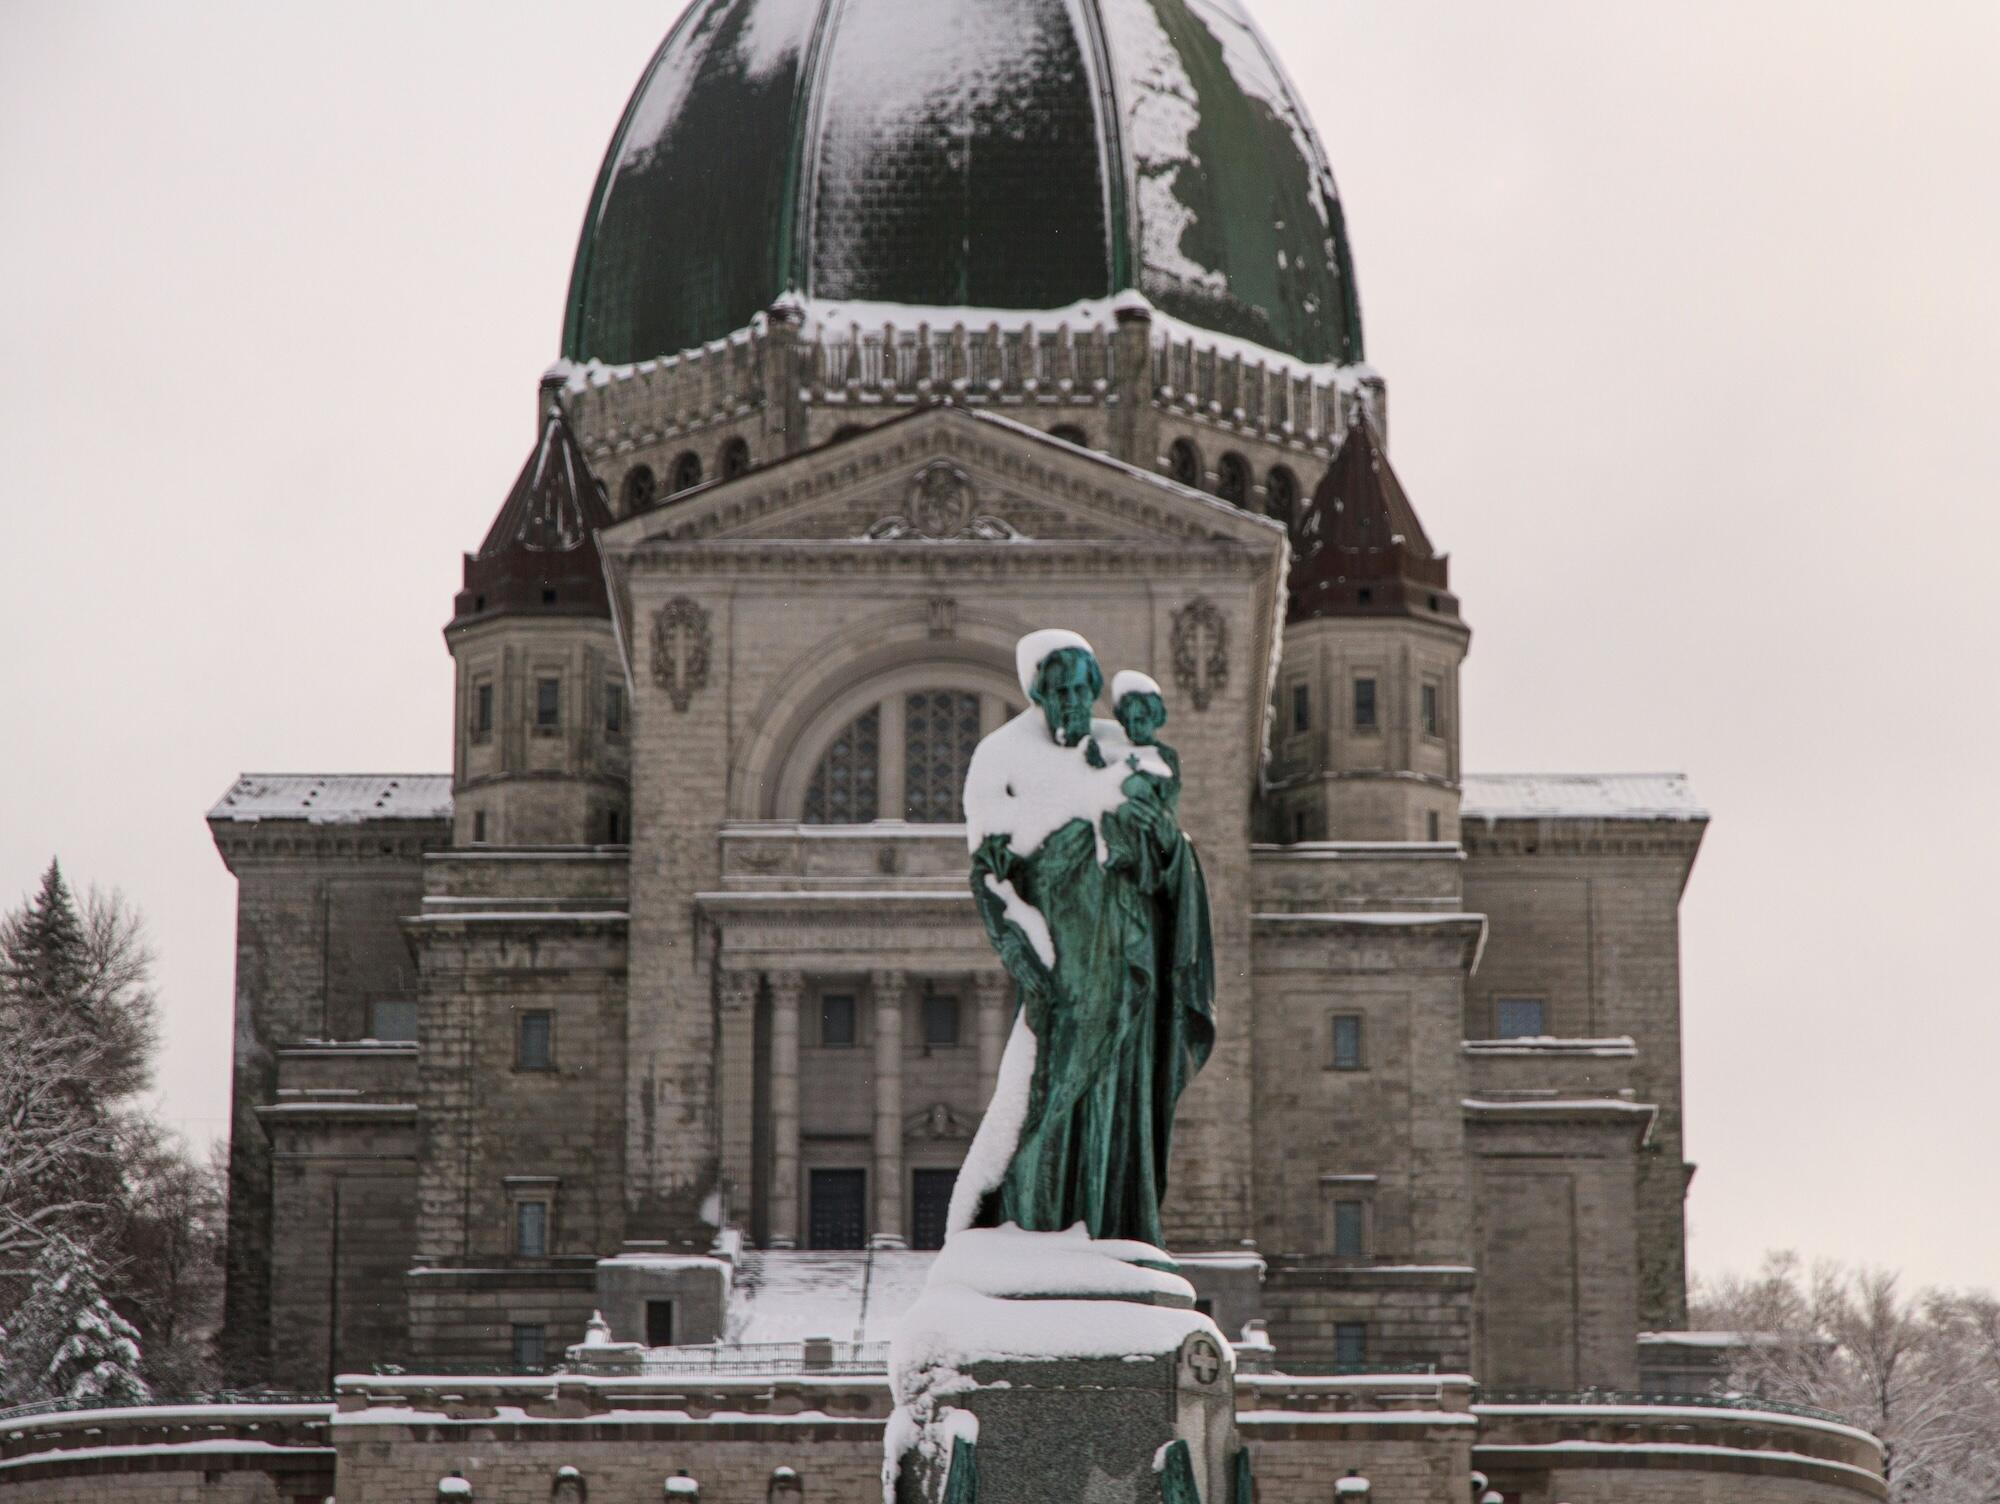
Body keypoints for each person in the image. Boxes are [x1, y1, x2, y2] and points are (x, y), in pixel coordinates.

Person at [957, 632, 1215, 1247]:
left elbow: (1165, 860)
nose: (1073, 701)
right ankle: (1037, 1218)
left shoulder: (1123, 753)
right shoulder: (1001, 757)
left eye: (1081, 689)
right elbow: (989, 874)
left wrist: (1165, 844)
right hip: (1064, 960)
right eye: (1059, 690)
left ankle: (1108, 1221)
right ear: (1038, 694)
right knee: (1052, 1092)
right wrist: (1023, 955)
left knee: (1121, 1092)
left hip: (1129, 951)